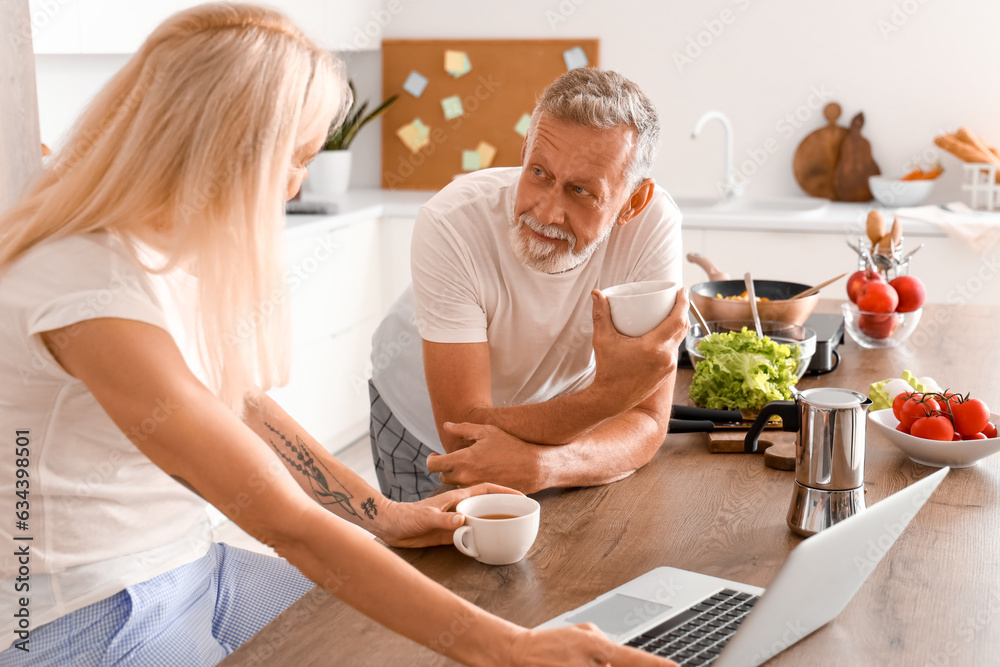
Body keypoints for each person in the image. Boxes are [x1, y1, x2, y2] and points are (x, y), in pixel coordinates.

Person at [0, 5, 676, 666]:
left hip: (193, 565)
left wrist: (378, 512)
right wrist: (512, 649)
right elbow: (288, 525)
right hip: (85, 613)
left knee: (403, 639)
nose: (296, 183)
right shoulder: (85, 289)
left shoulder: (155, 247)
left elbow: (235, 403)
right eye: (293, 158)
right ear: (224, 148)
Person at [369, 68, 688, 502]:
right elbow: (462, 433)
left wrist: (544, 465)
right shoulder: (451, 222)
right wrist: (609, 397)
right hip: (418, 419)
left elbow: (648, 423)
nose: (547, 211)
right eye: (538, 172)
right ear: (524, 152)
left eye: (580, 191)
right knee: (427, 567)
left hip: (555, 411)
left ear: (633, 202)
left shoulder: (652, 227)